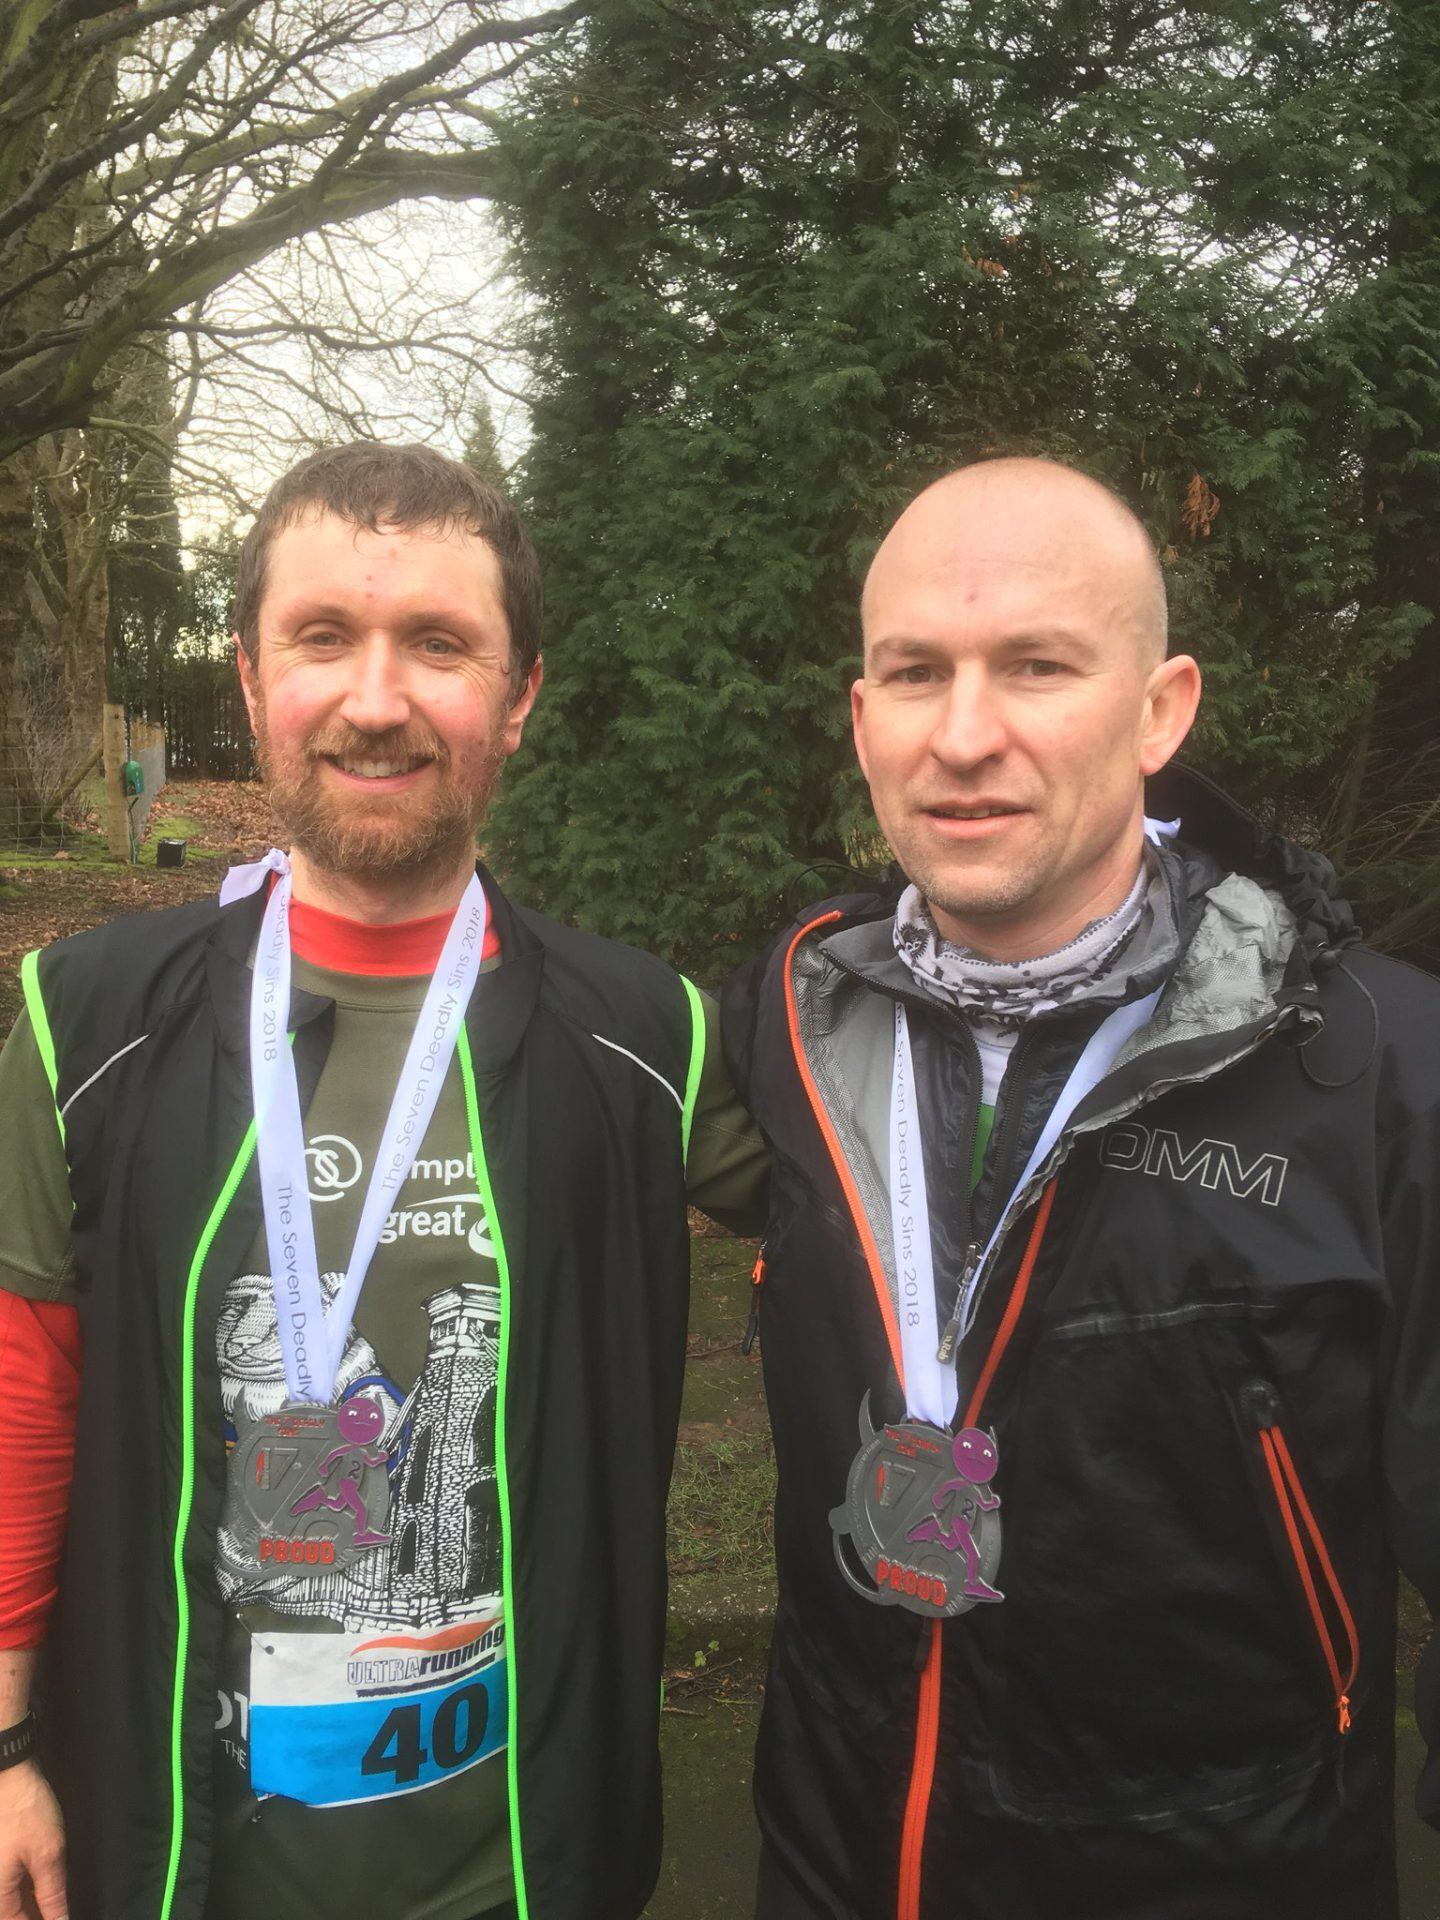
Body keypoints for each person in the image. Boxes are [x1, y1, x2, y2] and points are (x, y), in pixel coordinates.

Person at [0, 442, 766, 1920]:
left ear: (520, 695)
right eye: (323, 638)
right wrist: (10, 1740)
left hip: (526, 1866)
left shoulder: (647, 1039)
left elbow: (888, 1225)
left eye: (439, 644)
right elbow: (21, 1393)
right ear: (248, 678)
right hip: (178, 1856)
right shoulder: (83, 1023)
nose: (374, 697)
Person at [721, 457, 1440, 1920]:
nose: (963, 735)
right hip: (834, 1857)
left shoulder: (1383, 1073)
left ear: (1161, 709)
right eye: (914, 674)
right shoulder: (779, 1028)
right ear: (863, 719)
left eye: (1036, 667)